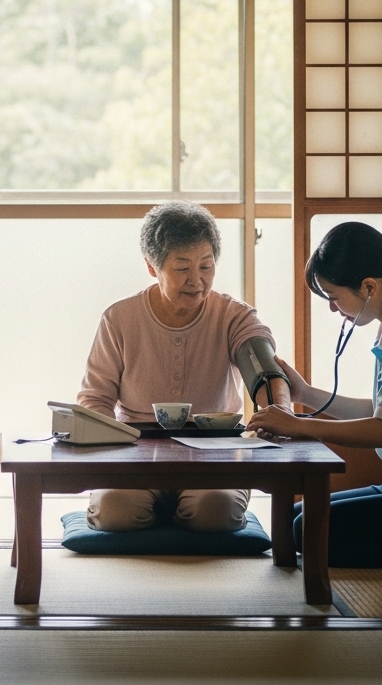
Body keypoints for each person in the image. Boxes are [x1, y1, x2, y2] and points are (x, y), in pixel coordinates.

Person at [79, 201, 291, 534]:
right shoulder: (119, 318)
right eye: (182, 268)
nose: (197, 280)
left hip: (217, 453)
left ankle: (177, 511)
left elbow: (265, 370)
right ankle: (159, 508)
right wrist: (111, 450)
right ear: (152, 266)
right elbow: (94, 399)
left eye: (206, 266)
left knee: (215, 512)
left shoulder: (233, 315)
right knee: (115, 513)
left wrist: (279, 411)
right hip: (137, 451)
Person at [249, 222, 382, 567]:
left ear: (369, 287)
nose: (333, 309)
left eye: (334, 297)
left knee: (307, 530)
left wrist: (299, 425)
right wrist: (305, 392)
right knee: (292, 520)